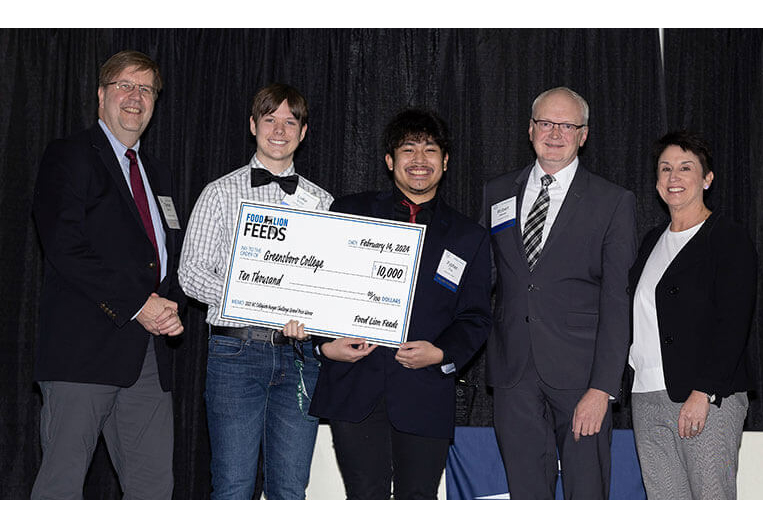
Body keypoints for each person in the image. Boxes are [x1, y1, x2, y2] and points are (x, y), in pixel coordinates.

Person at [309, 108, 492, 499]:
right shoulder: (349, 212)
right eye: (408, 149)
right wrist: (325, 345)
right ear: (390, 160)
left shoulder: (468, 236)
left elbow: (476, 317)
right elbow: (318, 290)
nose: (419, 160)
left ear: (445, 161)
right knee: (365, 499)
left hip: (425, 390)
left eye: (430, 150)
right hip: (356, 386)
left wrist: (441, 352)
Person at [31, 50, 185, 499]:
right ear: (101, 95)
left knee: (154, 488)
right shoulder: (68, 156)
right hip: (82, 352)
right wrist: (139, 304)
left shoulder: (158, 173)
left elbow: (161, 255)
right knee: (61, 483)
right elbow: (64, 246)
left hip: (148, 359)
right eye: (124, 85)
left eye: (146, 89)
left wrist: (169, 307)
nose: (135, 97)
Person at [178, 83, 333, 499]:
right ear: (253, 126)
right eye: (270, 119)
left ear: (304, 132)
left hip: (300, 357)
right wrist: (250, 296)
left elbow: (329, 285)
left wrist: (318, 316)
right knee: (232, 488)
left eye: (290, 121)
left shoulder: (322, 202)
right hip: (236, 354)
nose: (279, 130)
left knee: (290, 492)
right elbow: (190, 274)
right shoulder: (219, 193)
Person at [483, 86, 637, 499]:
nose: (555, 133)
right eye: (546, 123)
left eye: (566, 125)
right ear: (530, 129)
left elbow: (617, 301)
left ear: (583, 135)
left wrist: (603, 388)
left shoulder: (613, 201)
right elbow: (485, 279)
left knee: (586, 493)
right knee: (526, 495)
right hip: (513, 373)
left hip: (581, 377)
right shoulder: (497, 192)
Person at [628, 131, 756, 499]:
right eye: (665, 168)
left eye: (686, 168)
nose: (673, 177)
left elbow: (734, 321)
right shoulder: (651, 240)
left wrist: (706, 391)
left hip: (704, 397)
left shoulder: (727, 237)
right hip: (646, 395)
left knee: (710, 504)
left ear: (707, 178)